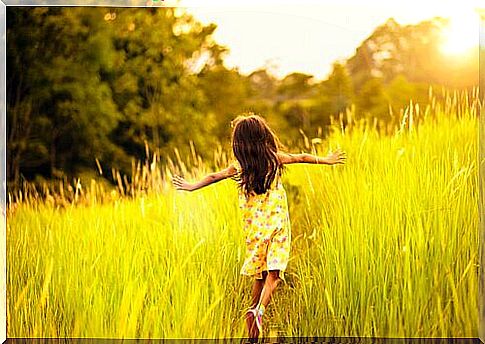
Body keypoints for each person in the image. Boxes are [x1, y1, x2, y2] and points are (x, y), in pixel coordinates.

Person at [172, 114, 346, 339]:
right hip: (277, 225)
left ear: (240, 144)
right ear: (263, 136)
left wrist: (192, 186)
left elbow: (215, 176)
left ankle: (252, 327)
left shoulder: (240, 166)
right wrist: (327, 159)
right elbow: (302, 156)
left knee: (259, 274)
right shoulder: (275, 159)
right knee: (274, 273)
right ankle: (259, 311)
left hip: (254, 228)